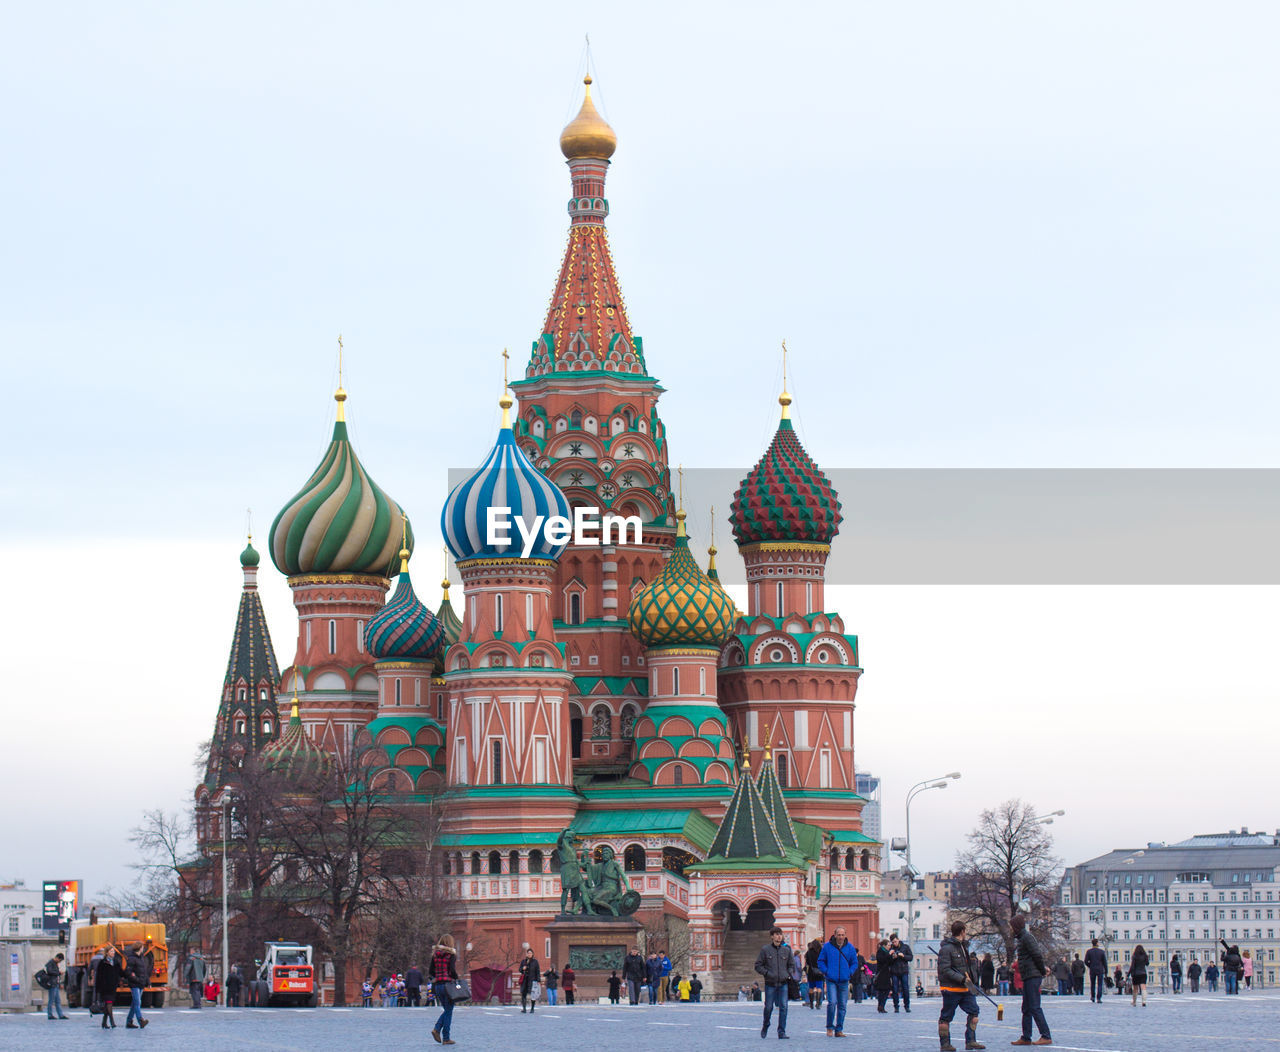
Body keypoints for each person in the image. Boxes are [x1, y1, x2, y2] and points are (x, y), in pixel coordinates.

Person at [936, 919, 985, 1052]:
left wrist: (972, 979)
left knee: (974, 1012)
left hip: (966, 988)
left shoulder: (964, 947)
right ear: (962, 931)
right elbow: (945, 970)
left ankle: (971, 1041)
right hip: (951, 989)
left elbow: (967, 967)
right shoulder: (946, 949)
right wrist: (962, 979)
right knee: (946, 1017)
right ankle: (945, 1044)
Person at [1009, 912, 1051, 1046]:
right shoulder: (1022, 938)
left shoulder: (1027, 938)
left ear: (1016, 926)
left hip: (1032, 976)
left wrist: (1042, 971)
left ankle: (1046, 1035)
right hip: (1028, 976)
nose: (1010, 929)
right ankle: (1026, 1037)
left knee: (1034, 1007)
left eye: (1011, 926)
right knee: (1026, 1008)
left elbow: (1037, 955)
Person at [816, 924, 858, 1037]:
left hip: (844, 980)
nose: (840, 937)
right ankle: (829, 1026)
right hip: (831, 980)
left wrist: (850, 972)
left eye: (842, 935)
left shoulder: (850, 947)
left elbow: (854, 962)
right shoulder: (827, 947)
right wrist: (826, 971)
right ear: (835, 935)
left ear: (845, 935)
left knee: (843, 1005)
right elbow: (820, 961)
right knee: (832, 1003)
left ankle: (839, 1029)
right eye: (839, 935)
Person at [754, 925, 794, 1039]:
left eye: (780, 934)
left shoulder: (786, 950)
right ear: (772, 937)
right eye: (776, 934)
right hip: (770, 983)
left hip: (783, 983)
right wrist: (767, 973)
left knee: (784, 1007)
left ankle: (781, 1031)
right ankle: (766, 1024)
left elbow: (791, 965)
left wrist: (788, 973)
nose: (779, 937)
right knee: (768, 1007)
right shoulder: (765, 950)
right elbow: (758, 965)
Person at [430, 934, 458, 1045]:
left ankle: (438, 1031)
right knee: (449, 1010)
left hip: (438, 986)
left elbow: (430, 971)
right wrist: (456, 978)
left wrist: (437, 976)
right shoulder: (451, 955)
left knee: (447, 1010)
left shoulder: (434, 955)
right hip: (448, 985)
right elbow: (452, 970)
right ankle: (444, 1036)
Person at [124, 943, 150, 1029]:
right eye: (142, 947)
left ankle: (129, 1021)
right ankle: (140, 1020)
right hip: (135, 984)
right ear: (140, 948)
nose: (143, 949)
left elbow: (144, 972)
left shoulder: (141, 958)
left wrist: (148, 982)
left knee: (135, 1003)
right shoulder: (131, 959)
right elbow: (128, 972)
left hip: (141, 983)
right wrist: (136, 979)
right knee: (138, 1002)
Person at [95, 946, 121, 1029]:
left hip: (113, 987)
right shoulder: (102, 963)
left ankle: (104, 1022)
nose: (113, 953)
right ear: (107, 953)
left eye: (113, 951)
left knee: (107, 1005)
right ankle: (112, 1022)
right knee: (109, 1003)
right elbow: (98, 976)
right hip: (105, 988)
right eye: (111, 951)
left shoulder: (116, 962)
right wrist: (98, 988)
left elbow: (120, 972)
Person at [889, 933, 914, 1013]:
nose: (894, 943)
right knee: (895, 990)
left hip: (904, 971)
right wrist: (892, 956)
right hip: (894, 971)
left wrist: (903, 956)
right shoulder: (891, 949)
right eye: (893, 942)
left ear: (898, 939)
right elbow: (888, 961)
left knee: (905, 989)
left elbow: (910, 957)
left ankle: (907, 1006)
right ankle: (896, 1007)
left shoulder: (905, 947)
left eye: (895, 941)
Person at [43, 952, 69, 1021]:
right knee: (51, 1000)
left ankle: (60, 1015)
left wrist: (59, 983)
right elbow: (49, 971)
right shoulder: (50, 963)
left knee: (58, 1001)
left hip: (55, 984)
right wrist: (59, 973)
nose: (60, 962)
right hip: (52, 984)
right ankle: (50, 1014)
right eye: (60, 960)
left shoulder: (54, 963)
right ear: (57, 958)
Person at [1084, 939, 1108, 1003]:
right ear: (1097, 943)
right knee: (1100, 984)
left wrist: (1090, 965)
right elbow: (1105, 962)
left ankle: (1093, 996)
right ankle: (1099, 998)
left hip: (1092, 970)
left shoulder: (1089, 952)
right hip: (1100, 970)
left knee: (1092, 984)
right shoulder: (1101, 952)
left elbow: (1086, 961)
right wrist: (1106, 970)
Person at [874, 938, 893, 1012]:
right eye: (888, 945)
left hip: (887, 973)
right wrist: (889, 954)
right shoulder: (880, 951)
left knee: (886, 990)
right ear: (884, 945)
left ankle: (881, 1006)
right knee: (882, 990)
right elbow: (882, 960)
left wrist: (892, 957)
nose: (889, 946)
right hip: (882, 974)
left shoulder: (886, 952)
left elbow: (890, 962)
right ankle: (881, 1006)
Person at [519, 947, 541, 1013]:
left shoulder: (535, 962)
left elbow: (538, 971)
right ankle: (524, 1008)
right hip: (525, 980)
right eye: (528, 953)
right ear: (526, 954)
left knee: (533, 995)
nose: (529, 954)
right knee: (523, 994)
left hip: (533, 980)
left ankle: (532, 1008)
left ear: (532, 954)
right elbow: (520, 969)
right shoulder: (524, 961)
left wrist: (538, 980)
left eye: (530, 953)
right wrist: (523, 968)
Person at [805, 939, 824, 1009]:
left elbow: (807, 961)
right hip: (819, 971)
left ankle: (811, 1003)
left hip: (811, 971)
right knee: (819, 987)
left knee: (811, 988)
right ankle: (818, 1003)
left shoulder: (809, 952)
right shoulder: (821, 951)